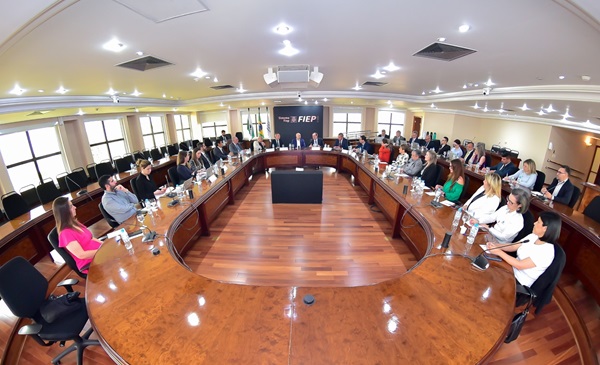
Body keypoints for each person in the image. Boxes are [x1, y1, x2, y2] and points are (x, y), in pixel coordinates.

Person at [486, 211, 561, 287]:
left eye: (538, 222)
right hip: (509, 269)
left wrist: (499, 252)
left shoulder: (547, 252)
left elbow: (520, 265)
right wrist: (496, 245)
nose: (534, 223)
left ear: (545, 228)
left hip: (518, 282)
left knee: (489, 280)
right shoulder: (533, 236)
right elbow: (513, 246)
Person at [53, 197, 102, 274]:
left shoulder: (75, 223)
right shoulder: (65, 233)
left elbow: (91, 238)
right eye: (71, 206)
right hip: (90, 263)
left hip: (98, 254)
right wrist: (102, 251)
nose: (75, 207)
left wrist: (104, 244)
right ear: (65, 212)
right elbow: (81, 255)